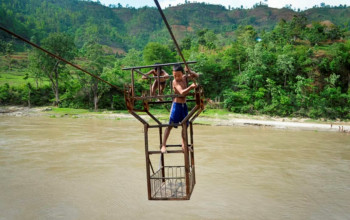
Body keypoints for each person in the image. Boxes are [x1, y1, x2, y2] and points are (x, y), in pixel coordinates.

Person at [161, 64, 199, 153]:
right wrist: (191, 87)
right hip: (176, 106)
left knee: (185, 126)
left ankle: (183, 145)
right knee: (170, 126)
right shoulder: (175, 82)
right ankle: (163, 145)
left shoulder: (185, 78)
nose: (177, 77)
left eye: (178, 75)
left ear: (182, 73)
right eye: (174, 75)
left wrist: (190, 70)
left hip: (184, 106)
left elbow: (196, 76)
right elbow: (181, 92)